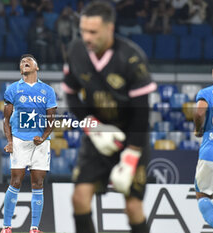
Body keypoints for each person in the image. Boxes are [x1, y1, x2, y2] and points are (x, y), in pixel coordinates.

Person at [61, 2, 156, 233]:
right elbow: (70, 95)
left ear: (109, 29)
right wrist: (91, 126)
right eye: (83, 31)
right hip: (98, 134)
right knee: (79, 197)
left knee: (133, 207)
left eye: (92, 32)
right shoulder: (76, 52)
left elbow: (142, 112)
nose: (86, 37)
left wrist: (131, 155)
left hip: (132, 136)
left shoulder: (132, 59)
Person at [1, 54, 57, 233]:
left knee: (38, 183)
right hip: (19, 140)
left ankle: (34, 228)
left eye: (28, 61)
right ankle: (6, 227)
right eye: (21, 62)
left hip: (41, 143)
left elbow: (52, 120)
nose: (24, 62)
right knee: (16, 180)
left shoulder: (47, 91)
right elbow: (6, 119)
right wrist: (10, 141)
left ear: (36, 67)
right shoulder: (13, 89)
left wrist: (43, 137)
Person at [193, 54, 213, 233]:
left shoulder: (206, 92)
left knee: (202, 194)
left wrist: (198, 130)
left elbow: (199, 113)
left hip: (211, 152)